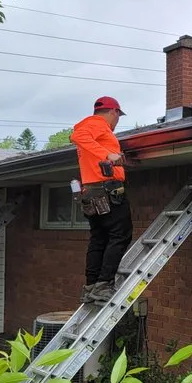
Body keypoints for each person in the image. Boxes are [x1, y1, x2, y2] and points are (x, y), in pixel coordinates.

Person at [70, 96, 133, 305]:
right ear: (114, 112)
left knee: (99, 239)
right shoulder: (96, 124)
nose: (117, 123)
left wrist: (115, 157)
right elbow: (77, 135)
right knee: (120, 235)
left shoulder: (95, 131)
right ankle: (104, 285)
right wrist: (108, 154)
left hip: (91, 191)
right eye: (118, 117)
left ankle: (91, 286)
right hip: (107, 191)